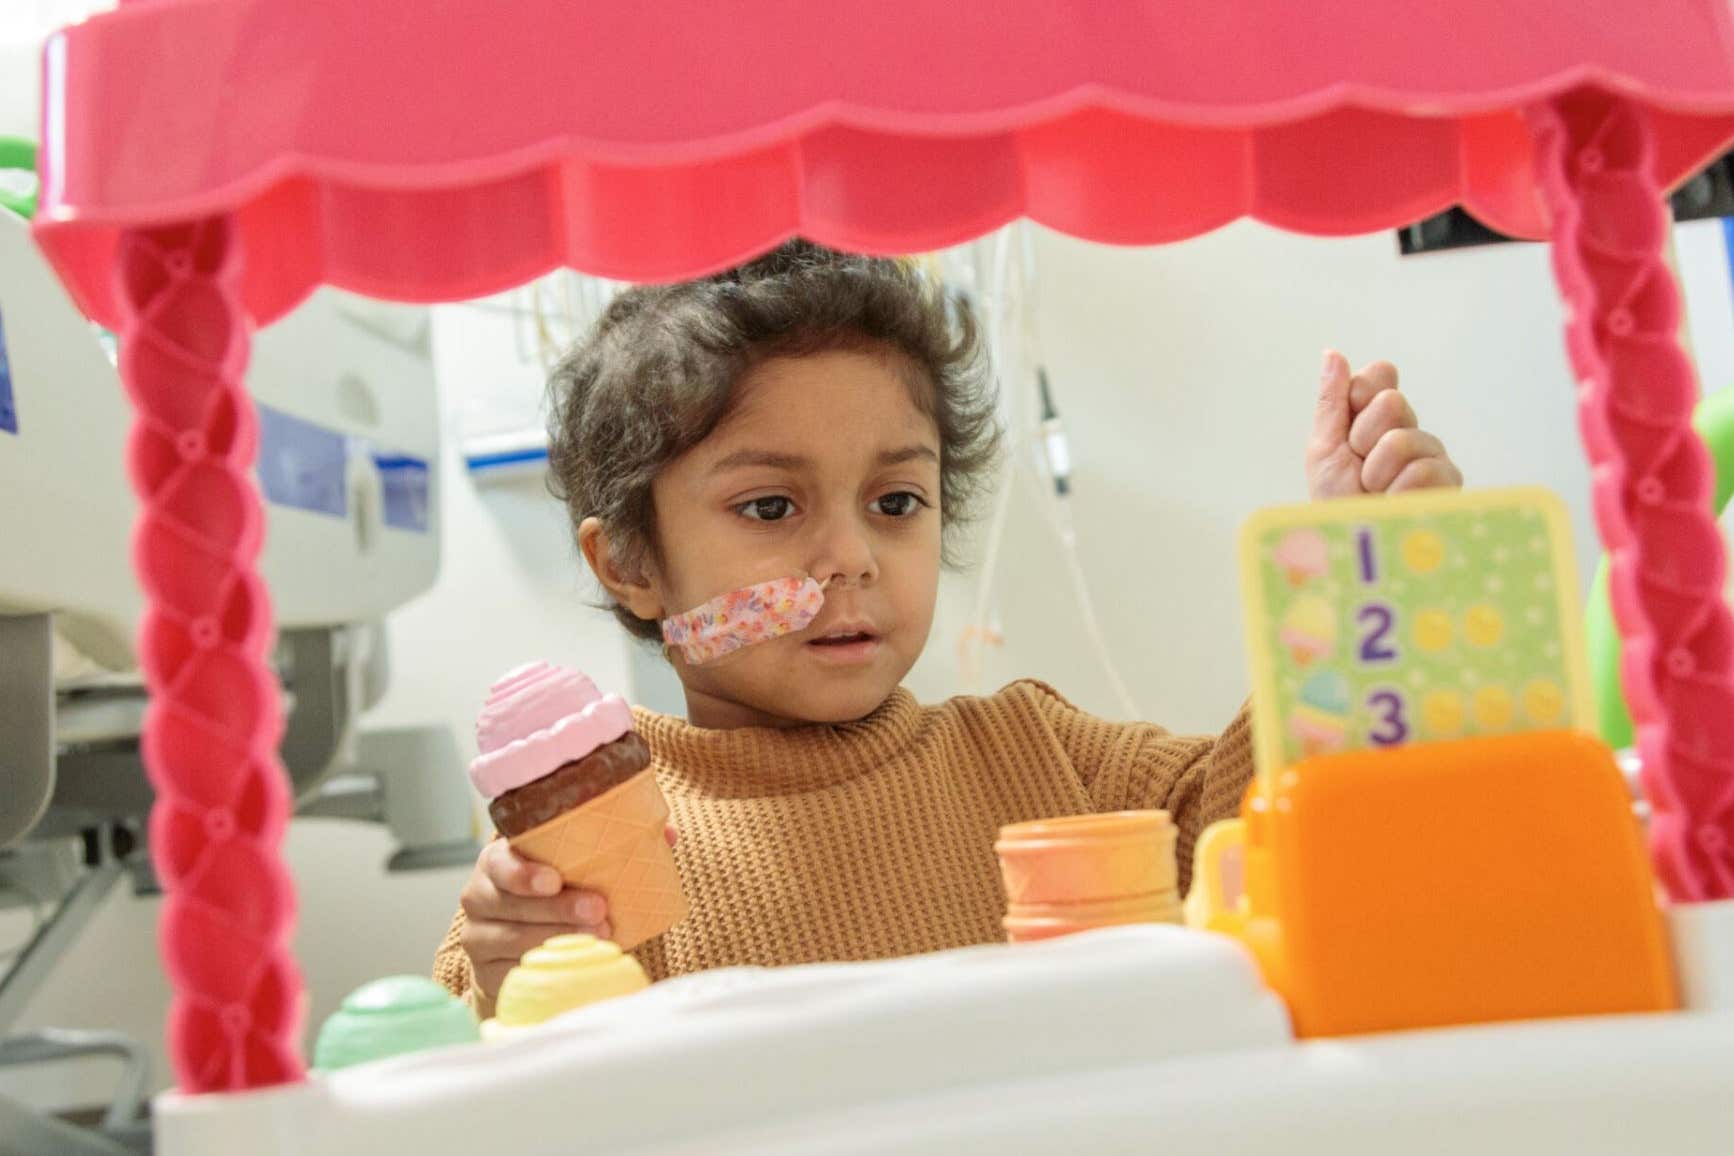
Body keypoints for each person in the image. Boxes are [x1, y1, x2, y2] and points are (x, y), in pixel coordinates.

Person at [434, 241, 1462, 1016]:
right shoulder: (589, 862)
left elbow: (1265, 819)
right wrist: (502, 965)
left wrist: (1358, 579)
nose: (851, 558)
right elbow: (470, 1072)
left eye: (895, 502)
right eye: (770, 508)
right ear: (633, 564)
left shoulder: (1038, 754)